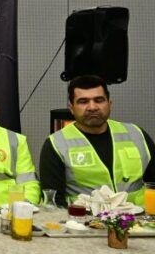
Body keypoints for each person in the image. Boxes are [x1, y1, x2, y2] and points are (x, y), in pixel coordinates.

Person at [41, 74, 154, 206]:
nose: (92, 107)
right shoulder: (56, 144)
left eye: (99, 100)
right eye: (83, 101)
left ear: (109, 104)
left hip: (138, 217)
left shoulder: (137, 135)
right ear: (71, 108)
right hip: (83, 218)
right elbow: (54, 202)